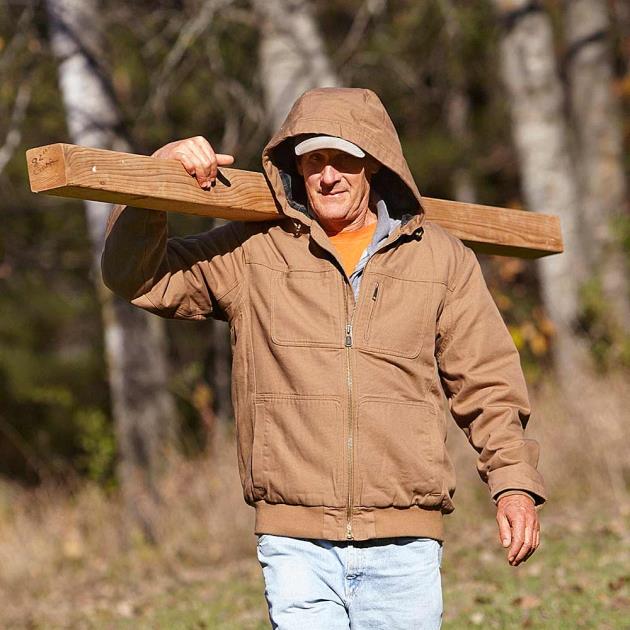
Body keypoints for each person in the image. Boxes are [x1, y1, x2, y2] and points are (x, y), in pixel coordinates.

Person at [102, 87, 546, 629]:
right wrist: (154, 181)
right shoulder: (252, 252)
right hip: (295, 543)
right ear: (296, 167)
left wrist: (513, 482)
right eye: (314, 160)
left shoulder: (440, 259)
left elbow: (487, 382)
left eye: (343, 160)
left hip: (405, 541)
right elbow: (137, 278)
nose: (328, 176)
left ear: (373, 164)